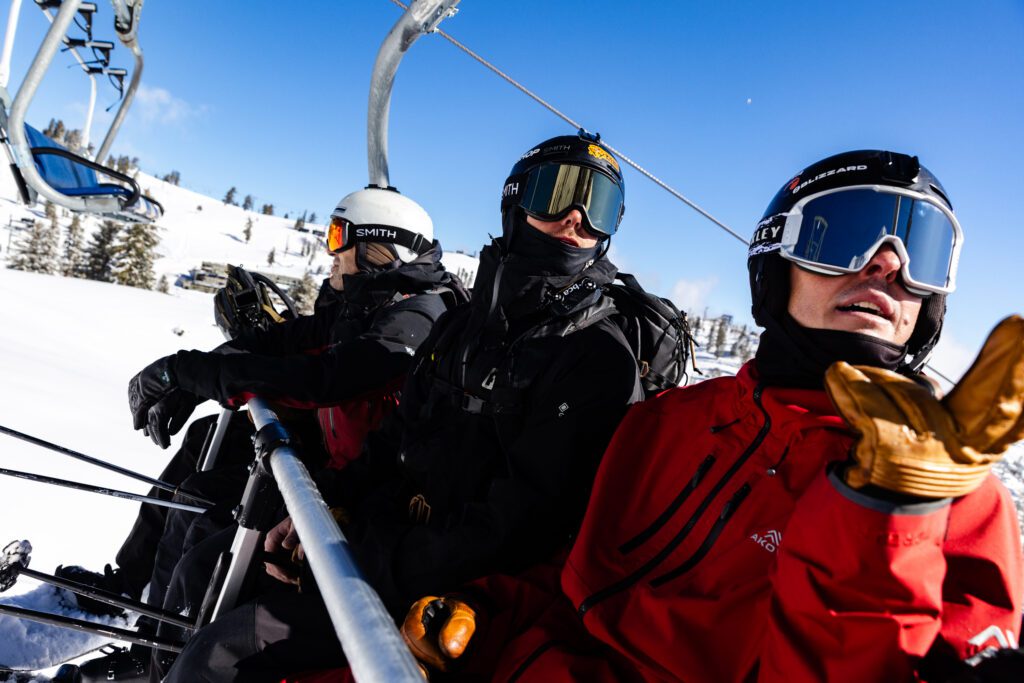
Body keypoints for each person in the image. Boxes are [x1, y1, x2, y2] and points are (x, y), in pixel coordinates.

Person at [402, 150, 1024, 682]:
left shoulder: (955, 504)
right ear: (775, 264)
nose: (887, 263)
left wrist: (891, 518)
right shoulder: (671, 421)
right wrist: (490, 610)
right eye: (842, 236)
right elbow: (581, 579)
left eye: (924, 248)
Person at [160, 132, 647, 681]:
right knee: (209, 566)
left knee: (224, 656)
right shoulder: (464, 326)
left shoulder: (594, 356)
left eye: (599, 207)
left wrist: (368, 558)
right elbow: (393, 440)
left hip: (451, 596)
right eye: (556, 193)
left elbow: (520, 524)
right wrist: (320, 514)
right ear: (516, 199)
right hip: (388, 542)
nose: (575, 218)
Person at [72, 186, 464, 682]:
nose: (330, 251)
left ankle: (163, 664)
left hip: (363, 502)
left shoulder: (416, 317)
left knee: (204, 558)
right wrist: (190, 373)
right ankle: (152, 636)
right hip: (335, 482)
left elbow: (321, 380)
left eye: (338, 236)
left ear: (376, 249)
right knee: (196, 496)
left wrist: (187, 374)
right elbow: (281, 344)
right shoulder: (365, 303)